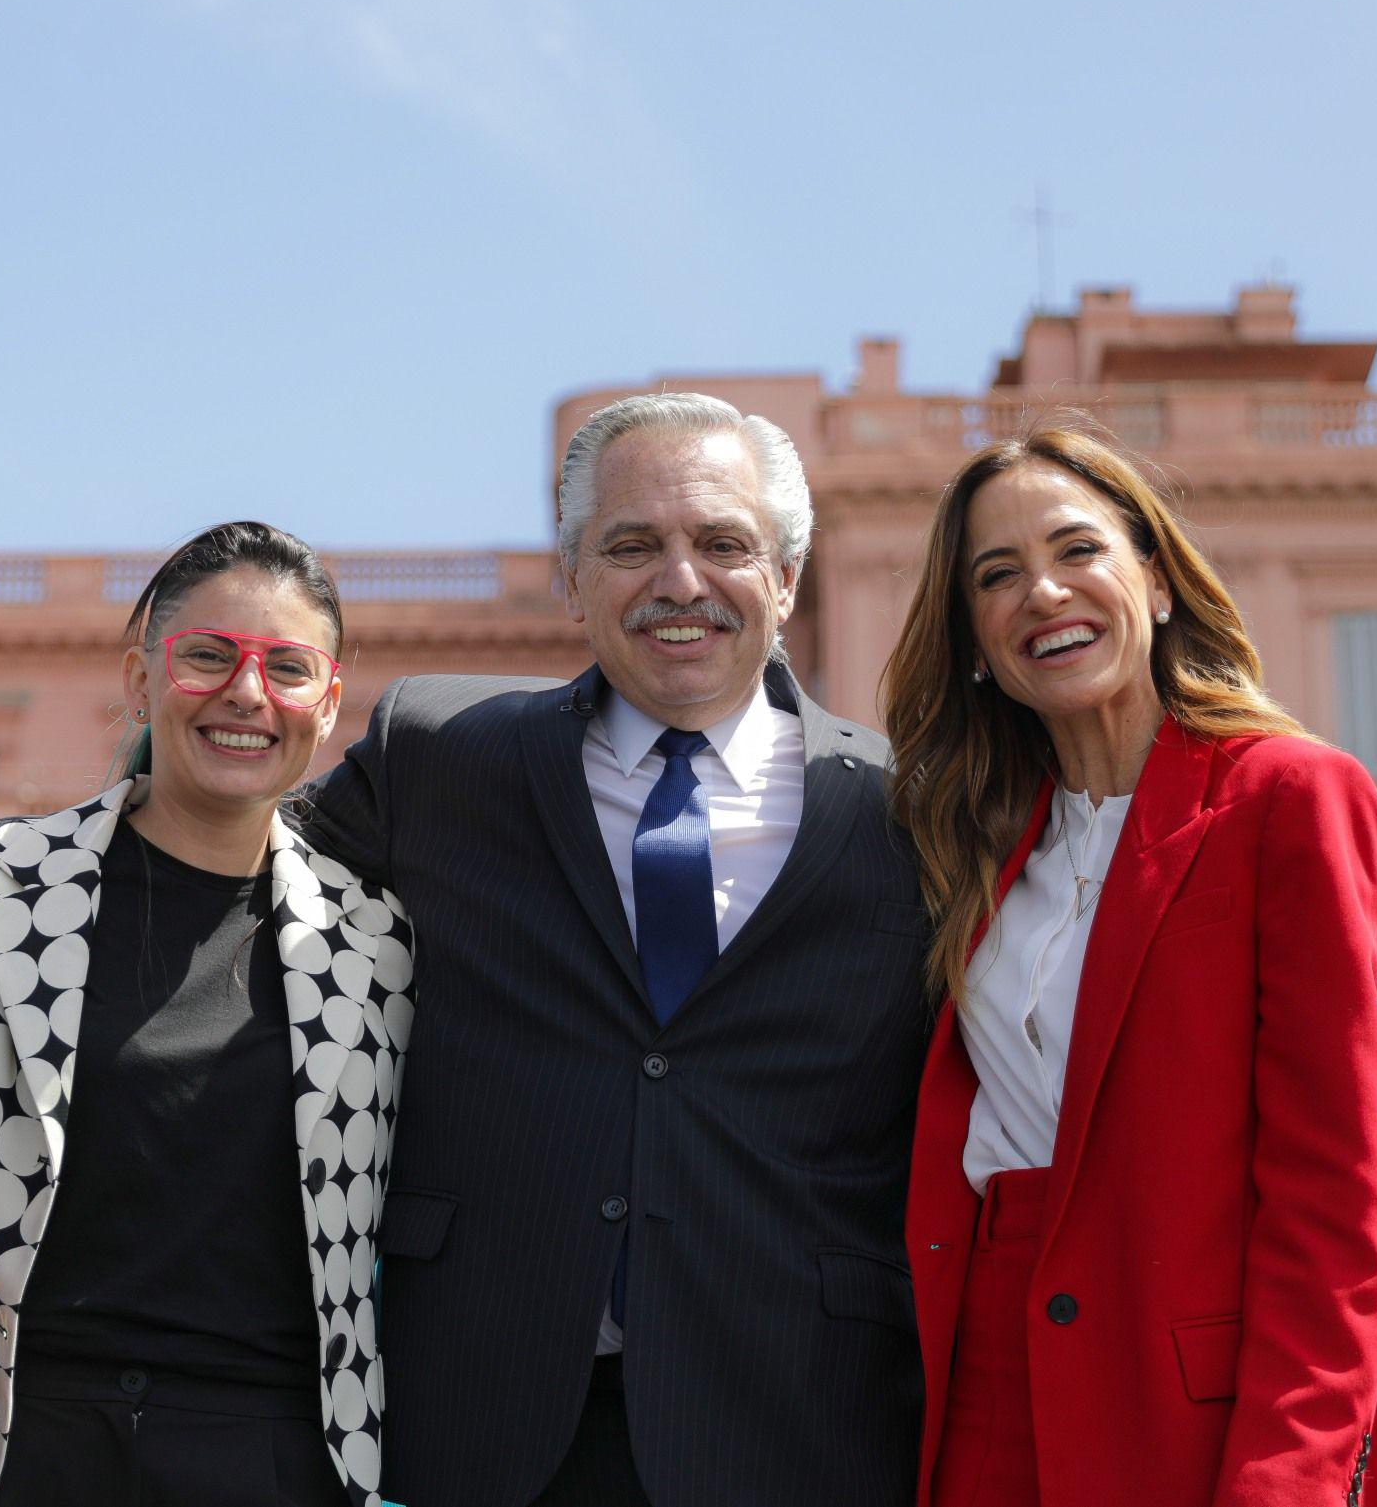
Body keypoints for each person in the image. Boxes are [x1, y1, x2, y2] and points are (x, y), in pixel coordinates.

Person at [300, 393, 930, 1507]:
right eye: (630, 545)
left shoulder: (911, 811)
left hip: (797, 1421)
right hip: (476, 1415)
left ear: (785, 579)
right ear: (570, 578)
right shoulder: (438, 758)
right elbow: (220, 872)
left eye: (722, 544)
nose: (678, 582)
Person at [880, 424, 1377, 1505]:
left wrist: (1289, 1481)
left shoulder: (1286, 797)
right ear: (972, 642)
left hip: (1193, 1409)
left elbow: (1329, 1204)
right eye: (995, 576)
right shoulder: (968, 843)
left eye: (1075, 550)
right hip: (982, 1398)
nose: (1041, 592)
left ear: (1156, 578)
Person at [0, 522, 413, 1507]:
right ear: (139, 680)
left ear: (330, 702)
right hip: (19, 1441)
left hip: (272, 1456)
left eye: (287, 668)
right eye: (208, 657)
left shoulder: (379, 946)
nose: (247, 694)